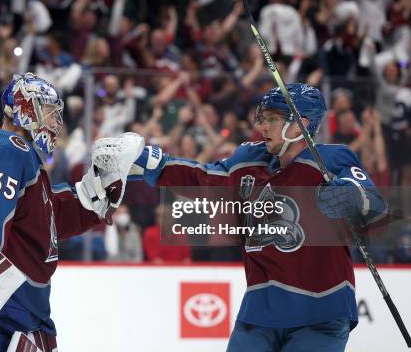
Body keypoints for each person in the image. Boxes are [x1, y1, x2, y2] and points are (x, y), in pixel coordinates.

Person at [129, 84, 387, 351]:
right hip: (259, 314)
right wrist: (149, 163)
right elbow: (202, 178)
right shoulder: (248, 160)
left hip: (321, 312)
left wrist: (353, 197)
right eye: (263, 118)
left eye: (273, 119)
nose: (263, 126)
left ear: (301, 124)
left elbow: (376, 209)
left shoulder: (331, 159)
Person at [0, 73, 122, 351]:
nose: (56, 123)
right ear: (28, 110)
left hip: (19, 316)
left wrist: (93, 199)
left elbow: (45, 219)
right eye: (50, 112)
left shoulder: (24, 162)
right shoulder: (8, 147)